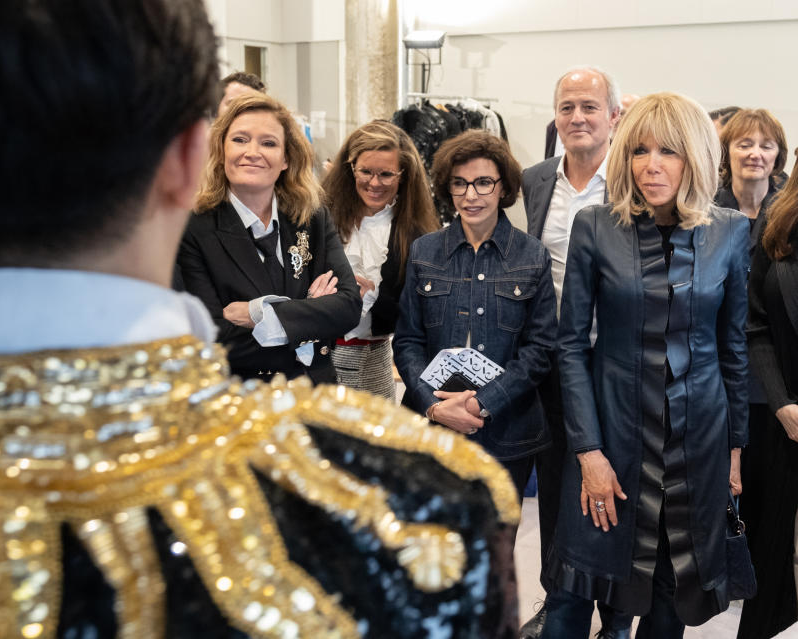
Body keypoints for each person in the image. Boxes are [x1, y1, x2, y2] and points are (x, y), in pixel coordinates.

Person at [0, 1, 522, 637]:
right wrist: (289, 311)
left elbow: (340, 302)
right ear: (192, 155)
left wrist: (261, 311)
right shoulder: (420, 517)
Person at [540, 92, 750, 638]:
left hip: (697, 442)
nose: (651, 165)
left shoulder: (729, 230)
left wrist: (733, 449)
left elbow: (732, 348)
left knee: (671, 593)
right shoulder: (595, 226)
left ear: (697, 158)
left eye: (669, 151)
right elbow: (570, 345)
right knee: (572, 590)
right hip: (611, 435)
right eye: (639, 151)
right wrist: (588, 451)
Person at [520, 65, 630, 639]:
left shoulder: (635, 179)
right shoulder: (536, 179)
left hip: (615, 366)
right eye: (567, 107)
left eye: (589, 106)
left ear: (615, 116)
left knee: (611, 490)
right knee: (559, 493)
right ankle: (556, 600)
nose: (577, 117)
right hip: (552, 364)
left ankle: (614, 614)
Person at [393, 129, 556, 494]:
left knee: (495, 547)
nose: (470, 195)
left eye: (483, 182)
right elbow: (407, 342)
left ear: (504, 187)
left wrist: (483, 402)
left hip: (508, 431)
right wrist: (434, 406)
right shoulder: (424, 252)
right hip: (433, 427)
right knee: (435, 543)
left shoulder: (532, 256)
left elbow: (540, 350)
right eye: (459, 183)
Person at [178, 92, 361, 384]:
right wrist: (310, 314)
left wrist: (259, 314)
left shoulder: (312, 216)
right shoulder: (191, 229)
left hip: (316, 394)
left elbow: (349, 307)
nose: (253, 152)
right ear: (221, 149)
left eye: (268, 143)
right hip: (241, 400)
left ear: (286, 158)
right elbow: (213, 340)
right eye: (239, 140)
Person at [713, 108, 788, 592]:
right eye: (744, 143)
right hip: (712, 362)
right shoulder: (704, 209)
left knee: (763, 478)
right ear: (727, 153)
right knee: (716, 475)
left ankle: (756, 579)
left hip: (771, 370)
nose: (754, 153)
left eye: (765, 144)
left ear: (778, 155)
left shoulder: (788, 214)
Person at [321, 120, 439, 399]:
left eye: (386, 174)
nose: (374, 183)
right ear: (350, 169)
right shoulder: (320, 218)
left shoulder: (417, 234)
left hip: (374, 360)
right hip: (315, 360)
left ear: (403, 175)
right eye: (365, 172)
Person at [739, 155, 798, 639]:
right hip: (787, 423)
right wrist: (780, 402)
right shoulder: (779, 226)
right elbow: (755, 325)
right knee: (774, 561)